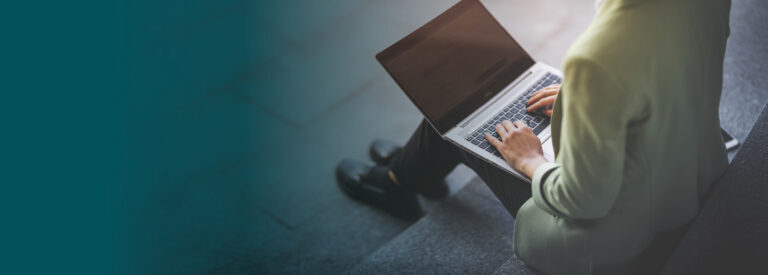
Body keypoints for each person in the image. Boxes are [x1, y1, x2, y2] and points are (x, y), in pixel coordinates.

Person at [336, 0, 731, 273]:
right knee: (471, 114)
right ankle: (412, 168)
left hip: (615, 241)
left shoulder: (596, 59)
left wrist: (529, 159)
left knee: (468, 117)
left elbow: (584, 201)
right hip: (687, 176)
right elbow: (674, 77)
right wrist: (596, 103)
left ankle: (399, 180)